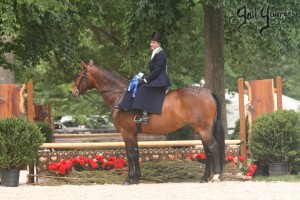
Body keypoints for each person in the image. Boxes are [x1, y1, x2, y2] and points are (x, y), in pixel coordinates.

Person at [116, 32, 171, 123]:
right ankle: (125, 104)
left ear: (159, 44)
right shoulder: (155, 53)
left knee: (143, 89)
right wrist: (143, 78)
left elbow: (157, 70)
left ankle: (144, 115)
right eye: (151, 42)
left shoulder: (161, 54)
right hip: (155, 78)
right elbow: (153, 71)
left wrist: (145, 80)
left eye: (154, 43)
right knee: (135, 84)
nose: (151, 44)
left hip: (161, 81)